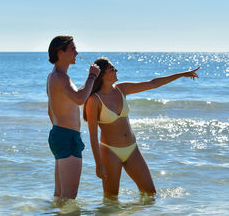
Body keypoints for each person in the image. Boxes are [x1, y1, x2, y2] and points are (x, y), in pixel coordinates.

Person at [83, 57, 199, 199]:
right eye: (112, 69)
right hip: (110, 152)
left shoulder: (121, 89)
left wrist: (181, 74)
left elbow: (153, 83)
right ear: (102, 74)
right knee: (111, 200)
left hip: (132, 149)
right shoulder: (94, 100)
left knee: (150, 195)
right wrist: (98, 164)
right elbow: (93, 135)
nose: (116, 70)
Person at [46, 35, 100, 199]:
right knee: (69, 197)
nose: (77, 53)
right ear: (60, 52)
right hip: (67, 137)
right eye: (73, 49)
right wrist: (92, 76)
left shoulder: (54, 76)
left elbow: (51, 110)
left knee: (60, 196)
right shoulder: (61, 77)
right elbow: (80, 99)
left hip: (60, 134)